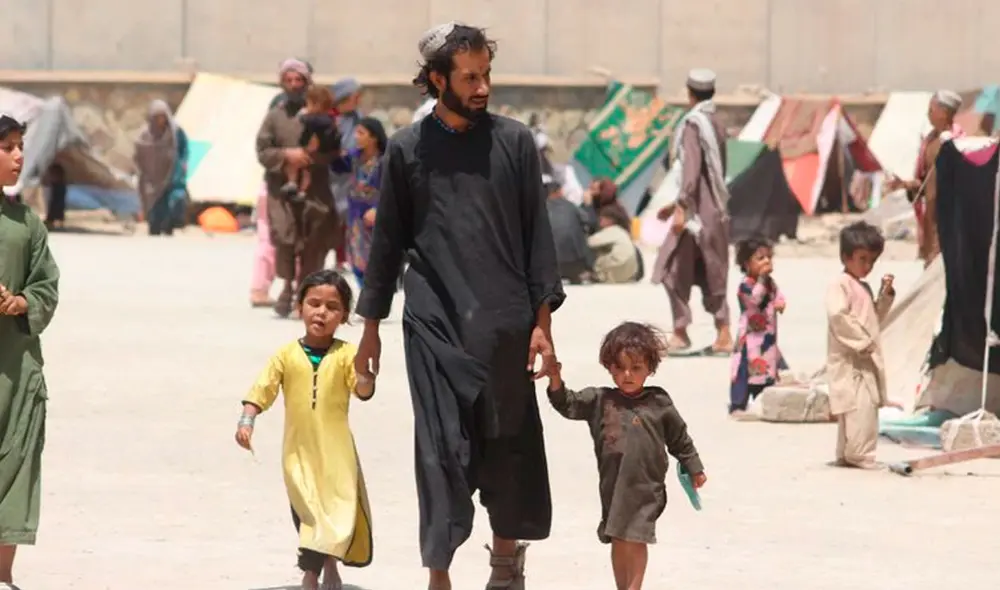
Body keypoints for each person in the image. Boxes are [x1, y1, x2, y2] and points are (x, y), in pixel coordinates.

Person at [352, 22, 564, 590]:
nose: (482, 88)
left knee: (507, 443)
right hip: (433, 325)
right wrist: (370, 331)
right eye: (469, 77)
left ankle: (504, 563)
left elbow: (536, 238)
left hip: (505, 326)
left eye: (486, 75)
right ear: (437, 79)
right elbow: (386, 245)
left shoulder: (515, 143)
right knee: (439, 451)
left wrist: (542, 325)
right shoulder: (405, 151)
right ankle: (438, 575)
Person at [235, 269, 375, 590]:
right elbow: (262, 389)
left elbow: (362, 390)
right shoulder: (286, 355)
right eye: (314, 303)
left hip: (337, 454)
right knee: (309, 512)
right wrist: (247, 419)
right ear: (300, 307)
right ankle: (311, 574)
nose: (321, 312)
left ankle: (331, 565)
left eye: (332, 307)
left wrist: (366, 377)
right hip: (298, 453)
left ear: (343, 316)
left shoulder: (347, 354)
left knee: (336, 513)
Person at [545, 321, 706, 590]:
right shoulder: (599, 400)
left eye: (636, 368)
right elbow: (567, 404)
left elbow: (680, 439)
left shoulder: (659, 403)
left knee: (637, 537)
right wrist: (555, 379)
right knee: (619, 538)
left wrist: (694, 467)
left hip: (646, 487)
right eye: (619, 368)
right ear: (609, 366)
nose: (627, 375)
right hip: (614, 487)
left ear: (650, 369)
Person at [0, 113, 60, 587]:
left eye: (21, 146)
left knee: (16, 462)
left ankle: (4, 575)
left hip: (16, 366)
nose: (20, 156)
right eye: (9, 147)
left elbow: (47, 285)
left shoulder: (27, 223)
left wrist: (21, 301)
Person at [651, 69, 732, 355]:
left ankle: (680, 332)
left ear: (689, 93)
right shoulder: (717, 123)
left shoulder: (693, 125)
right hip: (715, 212)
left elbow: (692, 171)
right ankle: (723, 333)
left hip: (695, 214)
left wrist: (681, 208)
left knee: (672, 269)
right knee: (714, 271)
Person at [256, 58, 341, 318]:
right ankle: (287, 287)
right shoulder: (274, 117)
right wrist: (287, 156)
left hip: (315, 189)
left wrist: (313, 158)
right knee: (285, 239)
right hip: (282, 190)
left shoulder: (322, 114)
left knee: (313, 243)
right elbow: (263, 151)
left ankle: (304, 294)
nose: (294, 85)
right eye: (289, 80)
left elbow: (334, 149)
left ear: (307, 83)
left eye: (299, 80)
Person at [826, 221, 901, 469]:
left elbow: (873, 319)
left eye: (871, 261)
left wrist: (884, 295)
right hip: (851, 360)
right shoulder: (839, 285)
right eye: (862, 259)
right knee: (857, 410)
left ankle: (849, 454)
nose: (867, 266)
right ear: (846, 257)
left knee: (864, 409)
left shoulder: (863, 287)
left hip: (865, 359)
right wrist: (861, 342)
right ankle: (859, 455)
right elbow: (838, 316)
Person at [886, 90, 964, 267]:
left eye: (931, 109)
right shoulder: (929, 141)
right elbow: (924, 183)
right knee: (930, 262)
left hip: (949, 218)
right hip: (930, 217)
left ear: (944, 113)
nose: (928, 114)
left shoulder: (958, 143)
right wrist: (904, 184)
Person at [729, 238, 786, 418]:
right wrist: (762, 279)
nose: (767, 262)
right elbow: (754, 301)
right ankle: (737, 404)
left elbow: (777, 294)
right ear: (747, 263)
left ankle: (765, 401)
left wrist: (780, 302)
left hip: (767, 336)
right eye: (760, 258)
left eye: (769, 257)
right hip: (750, 337)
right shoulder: (745, 286)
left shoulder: (770, 282)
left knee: (769, 368)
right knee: (744, 371)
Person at [330, 117, 388, 288]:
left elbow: (391, 188)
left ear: (374, 137)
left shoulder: (385, 161)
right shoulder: (353, 158)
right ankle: (365, 297)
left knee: (375, 261)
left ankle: (372, 300)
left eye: (361, 133)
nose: (356, 137)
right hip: (355, 217)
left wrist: (378, 209)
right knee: (356, 259)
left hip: (377, 218)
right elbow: (336, 165)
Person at [134, 99, 190, 236]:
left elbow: (184, 149)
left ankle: (170, 226)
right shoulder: (145, 135)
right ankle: (154, 228)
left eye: (162, 116)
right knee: (154, 206)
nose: (160, 120)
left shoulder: (176, 132)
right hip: (152, 178)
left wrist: (182, 164)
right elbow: (139, 153)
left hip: (172, 174)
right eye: (157, 117)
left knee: (176, 200)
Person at [330, 78, 365, 272]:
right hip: (331, 174)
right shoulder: (330, 118)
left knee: (347, 218)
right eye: (355, 96)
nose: (358, 100)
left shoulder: (356, 117)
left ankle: (343, 258)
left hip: (351, 174)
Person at [282, 85, 341, 200]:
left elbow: (305, 121)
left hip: (311, 151)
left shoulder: (319, 119)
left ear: (316, 105)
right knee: (306, 172)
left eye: (308, 103)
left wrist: (302, 116)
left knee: (293, 164)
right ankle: (301, 191)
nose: (306, 106)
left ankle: (293, 183)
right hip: (314, 152)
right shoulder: (329, 119)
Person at [545, 174, 594, 283]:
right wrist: (588, 205)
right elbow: (589, 222)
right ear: (559, 192)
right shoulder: (570, 206)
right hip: (575, 265)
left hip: (549, 268)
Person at [588, 212, 640, 284]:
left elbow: (590, 242)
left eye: (602, 219)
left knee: (598, 257)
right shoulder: (621, 231)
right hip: (630, 270)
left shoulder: (612, 230)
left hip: (619, 265)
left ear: (610, 220)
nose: (599, 221)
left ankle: (598, 276)